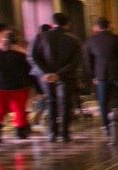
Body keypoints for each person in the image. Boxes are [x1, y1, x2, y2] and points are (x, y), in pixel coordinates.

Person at [0, 29, 36, 141]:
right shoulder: (22, 54)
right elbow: (30, 73)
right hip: (19, 87)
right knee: (19, 110)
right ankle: (20, 132)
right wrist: (39, 88)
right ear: (15, 40)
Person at [30, 13, 82, 142]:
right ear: (67, 23)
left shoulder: (41, 37)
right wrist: (59, 74)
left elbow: (33, 56)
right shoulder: (73, 39)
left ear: (52, 23)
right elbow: (76, 61)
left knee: (50, 102)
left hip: (46, 78)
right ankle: (64, 133)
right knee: (65, 103)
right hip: (66, 76)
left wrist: (45, 73)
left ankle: (52, 133)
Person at [83, 17, 118, 136]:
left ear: (97, 27)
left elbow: (88, 61)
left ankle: (107, 128)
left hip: (101, 76)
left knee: (103, 102)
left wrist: (93, 76)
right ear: (109, 25)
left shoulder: (91, 41)